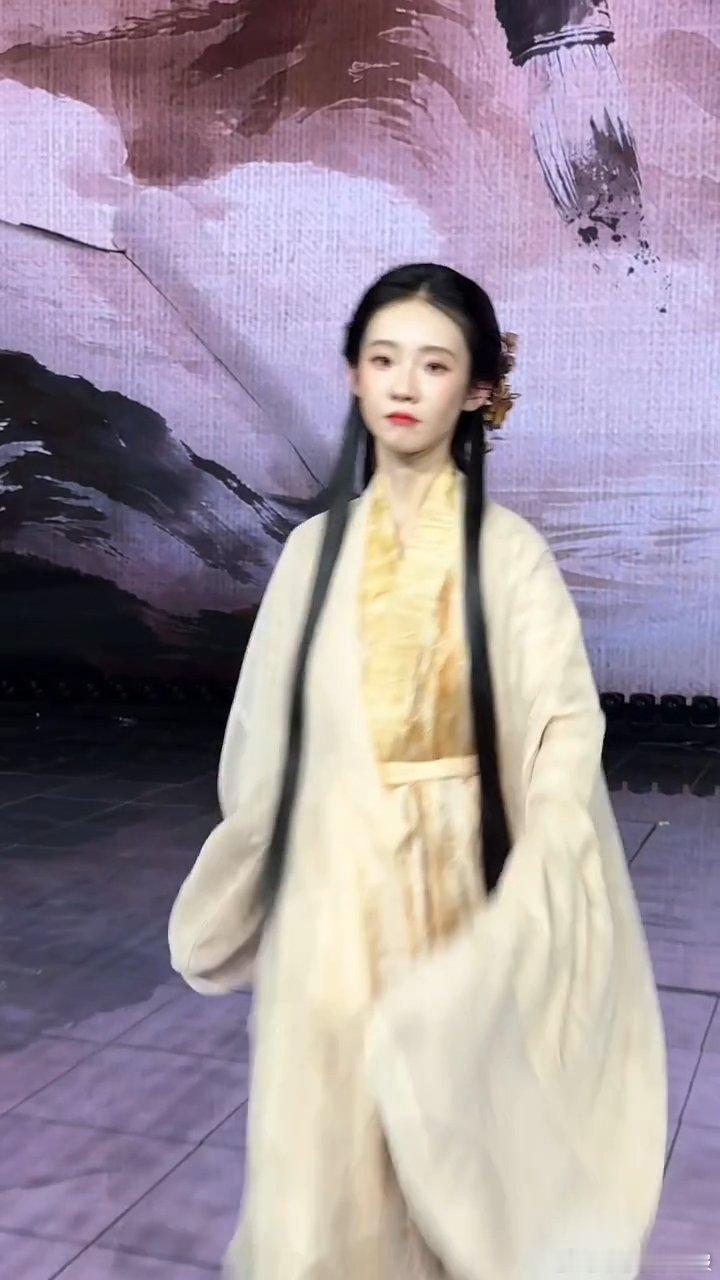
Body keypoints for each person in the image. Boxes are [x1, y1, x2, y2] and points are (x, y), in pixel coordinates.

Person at [168, 264, 667, 1280]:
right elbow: (264, 742)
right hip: (326, 905)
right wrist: (252, 866)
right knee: (321, 1171)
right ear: (352, 374)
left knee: (448, 1172)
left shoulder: (509, 557)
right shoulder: (312, 554)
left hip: (456, 898)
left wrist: (537, 883)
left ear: (479, 391)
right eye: (383, 358)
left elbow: (562, 731)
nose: (404, 383)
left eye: (434, 365)